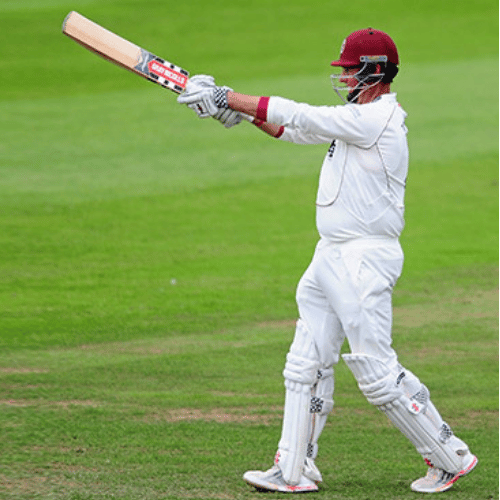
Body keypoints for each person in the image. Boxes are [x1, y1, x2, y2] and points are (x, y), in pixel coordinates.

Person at [177, 28, 478, 495]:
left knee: (377, 373)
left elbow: (303, 114)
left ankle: (449, 456)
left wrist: (228, 96)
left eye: (351, 70)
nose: (344, 78)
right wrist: (230, 112)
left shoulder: (379, 118)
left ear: (375, 71)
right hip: (330, 254)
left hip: (364, 258)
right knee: (306, 361)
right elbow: (294, 130)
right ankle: (293, 470)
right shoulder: (356, 118)